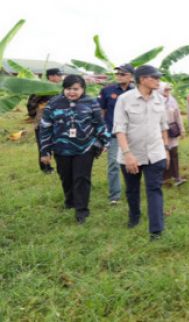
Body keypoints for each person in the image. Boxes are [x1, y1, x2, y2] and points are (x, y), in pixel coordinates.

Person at [38, 75, 110, 224]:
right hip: (61, 148)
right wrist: (44, 151)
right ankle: (70, 201)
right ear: (63, 89)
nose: (72, 92)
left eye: (76, 89)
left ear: (83, 89)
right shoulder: (53, 103)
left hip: (85, 148)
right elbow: (45, 128)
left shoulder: (91, 102)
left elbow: (99, 124)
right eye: (68, 88)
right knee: (66, 177)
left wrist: (105, 142)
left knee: (82, 178)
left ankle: (82, 210)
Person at [113, 65, 170, 240]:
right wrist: (128, 154)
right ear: (143, 79)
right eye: (155, 78)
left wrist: (166, 149)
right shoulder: (125, 100)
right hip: (131, 154)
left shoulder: (159, 99)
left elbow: (163, 126)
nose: (158, 81)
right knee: (132, 189)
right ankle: (134, 216)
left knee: (154, 189)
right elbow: (119, 129)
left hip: (155, 153)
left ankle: (156, 230)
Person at [98, 63, 135, 204]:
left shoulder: (136, 92)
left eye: (122, 74)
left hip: (132, 133)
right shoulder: (107, 90)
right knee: (113, 163)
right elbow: (102, 112)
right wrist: (102, 132)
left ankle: (132, 190)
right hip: (114, 134)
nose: (119, 76)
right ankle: (115, 196)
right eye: (117, 74)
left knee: (132, 162)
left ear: (131, 76)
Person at [27, 67, 63, 174]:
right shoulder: (42, 88)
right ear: (51, 76)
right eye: (58, 75)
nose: (60, 77)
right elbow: (31, 103)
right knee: (43, 145)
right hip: (42, 122)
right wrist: (37, 115)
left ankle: (59, 166)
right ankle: (45, 168)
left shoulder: (58, 88)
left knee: (57, 143)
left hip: (56, 121)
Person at [159, 82, 187, 186]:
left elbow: (178, 115)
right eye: (165, 89)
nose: (167, 92)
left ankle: (176, 176)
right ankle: (164, 177)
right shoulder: (155, 100)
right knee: (162, 155)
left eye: (168, 90)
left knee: (174, 153)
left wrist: (182, 129)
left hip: (172, 129)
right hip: (160, 132)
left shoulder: (172, 100)